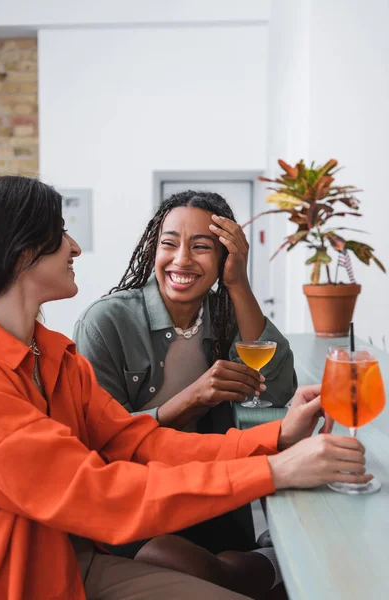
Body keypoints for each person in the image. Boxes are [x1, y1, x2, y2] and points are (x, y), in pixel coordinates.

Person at [0, 176, 371, 600]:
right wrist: (275, 470)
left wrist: (278, 436)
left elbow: (138, 442)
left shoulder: (57, 358)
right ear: (22, 251)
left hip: (77, 553)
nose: (75, 246)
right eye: (60, 232)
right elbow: (101, 494)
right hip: (26, 578)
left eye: (202, 246)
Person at [73, 191, 297, 557]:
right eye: (169, 244)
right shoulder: (106, 322)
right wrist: (188, 401)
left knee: (253, 558)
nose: (181, 259)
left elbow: (277, 388)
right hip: (140, 501)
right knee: (175, 561)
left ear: (226, 257)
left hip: (215, 493)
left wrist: (238, 284)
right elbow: (99, 444)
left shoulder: (225, 314)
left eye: (201, 247)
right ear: (153, 250)